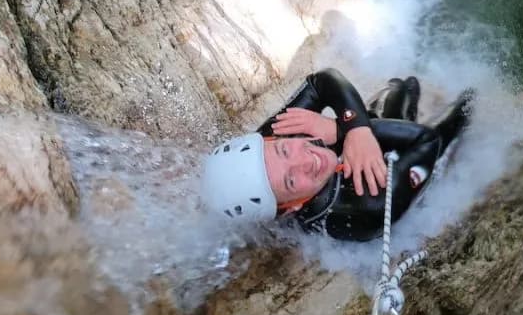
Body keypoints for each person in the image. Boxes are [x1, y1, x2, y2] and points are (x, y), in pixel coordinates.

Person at [200, 68, 474, 241]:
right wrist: (344, 130)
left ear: (269, 139)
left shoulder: (271, 141)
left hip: (351, 143)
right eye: (291, 181)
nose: (307, 159)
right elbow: (426, 140)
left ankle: (395, 99)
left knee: (398, 90)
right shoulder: (367, 207)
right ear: (292, 207)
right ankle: (443, 109)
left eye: (284, 148)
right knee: (432, 122)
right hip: (392, 174)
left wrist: (355, 127)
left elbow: (322, 80)